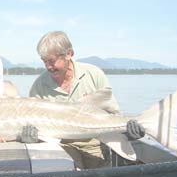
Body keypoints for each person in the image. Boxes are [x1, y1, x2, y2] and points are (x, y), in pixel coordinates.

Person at [29, 31, 144, 169]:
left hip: (96, 141)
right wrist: (29, 135)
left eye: (52, 61)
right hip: (62, 144)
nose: (48, 67)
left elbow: (113, 114)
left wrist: (130, 131)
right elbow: (35, 127)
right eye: (44, 61)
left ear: (68, 54)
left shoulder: (93, 74)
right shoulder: (39, 85)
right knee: (67, 171)